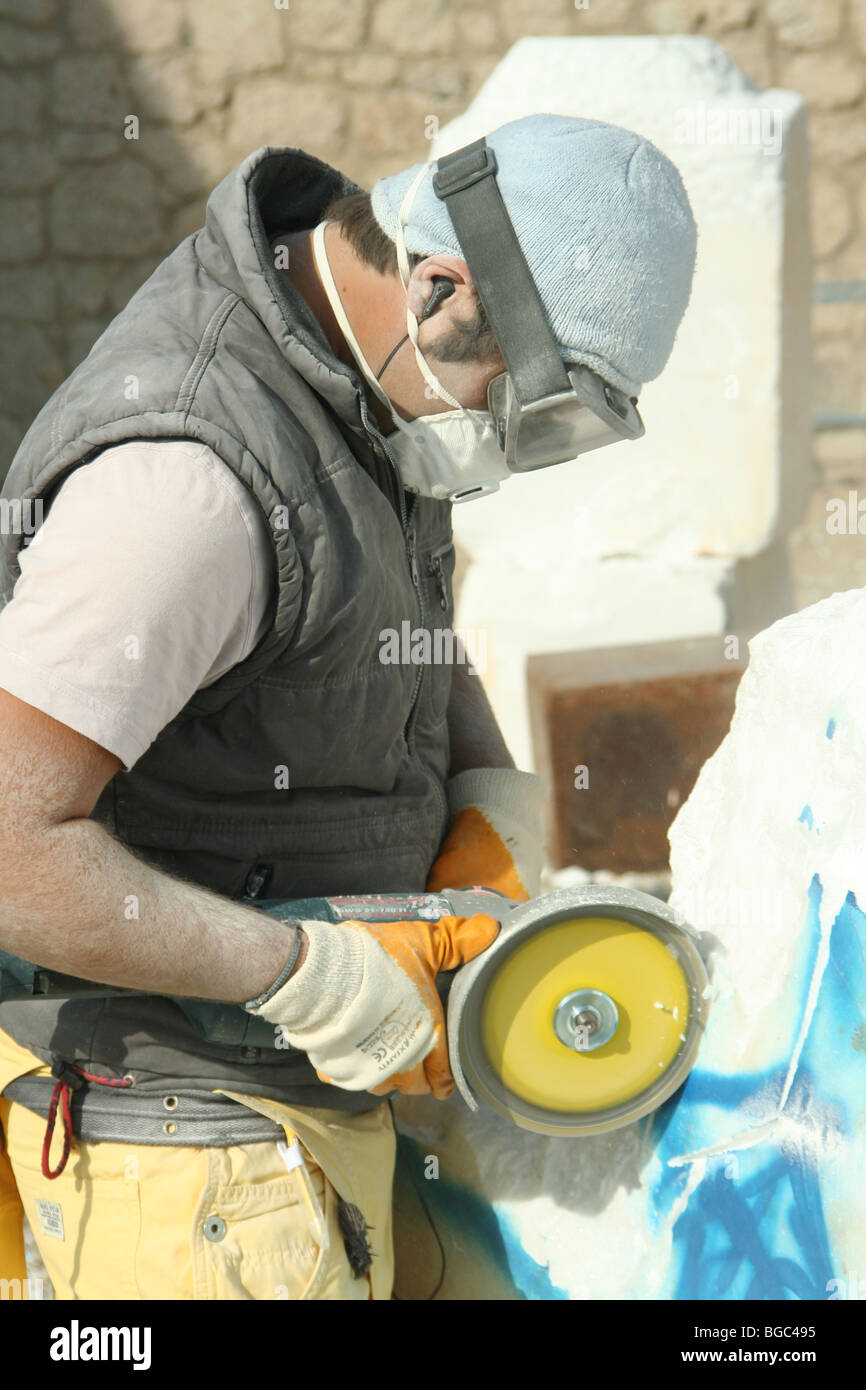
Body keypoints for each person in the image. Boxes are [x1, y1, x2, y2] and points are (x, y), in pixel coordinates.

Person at [0, 113, 696, 1300]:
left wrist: (484, 786)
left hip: (315, 1117)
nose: (515, 451)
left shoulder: (357, 389)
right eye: (528, 409)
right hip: (179, 1163)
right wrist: (293, 971)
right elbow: (14, 849)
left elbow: (351, 614)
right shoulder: (190, 483)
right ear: (439, 289)